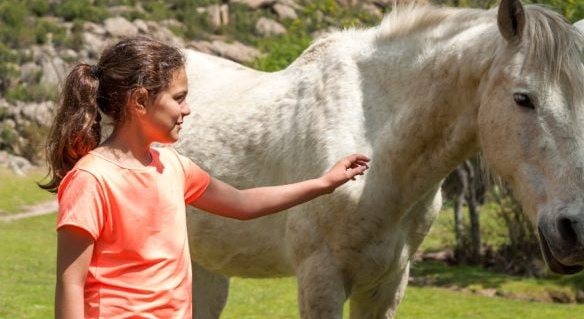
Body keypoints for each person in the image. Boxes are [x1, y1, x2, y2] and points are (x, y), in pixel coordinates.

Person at [40, 35, 370, 319]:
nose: (187, 110)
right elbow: (71, 282)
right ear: (140, 101)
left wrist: (323, 183)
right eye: (179, 98)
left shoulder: (172, 166)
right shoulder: (90, 180)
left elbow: (242, 202)